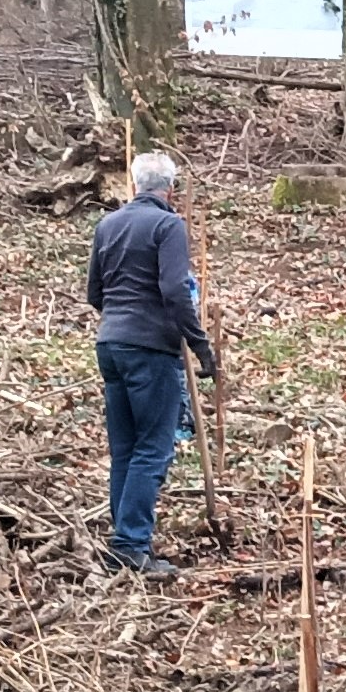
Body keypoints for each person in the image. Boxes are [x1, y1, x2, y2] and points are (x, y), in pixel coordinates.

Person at [86, 151, 217, 578]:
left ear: (135, 185)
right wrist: (201, 346)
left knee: (125, 448)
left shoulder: (107, 225)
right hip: (150, 349)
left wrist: (122, 319)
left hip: (110, 344)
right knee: (153, 448)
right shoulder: (168, 226)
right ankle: (130, 545)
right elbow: (176, 290)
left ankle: (124, 539)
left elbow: (95, 293)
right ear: (171, 190)